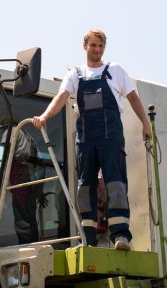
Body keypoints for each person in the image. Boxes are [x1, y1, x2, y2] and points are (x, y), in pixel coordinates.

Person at [32, 29, 151, 250]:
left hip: (111, 138)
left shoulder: (115, 71)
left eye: (100, 46)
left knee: (115, 183)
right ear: (84, 46)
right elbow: (61, 98)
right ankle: (87, 239)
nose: (97, 50)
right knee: (85, 187)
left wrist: (146, 123)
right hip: (86, 140)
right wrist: (45, 116)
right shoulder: (75, 75)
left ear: (103, 48)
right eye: (93, 45)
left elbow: (134, 98)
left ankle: (121, 236)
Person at [1, 117, 43, 244]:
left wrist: (4, 176)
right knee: (29, 214)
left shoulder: (12, 131)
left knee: (21, 213)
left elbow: (7, 153)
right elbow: (40, 162)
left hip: (20, 174)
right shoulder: (29, 137)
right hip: (32, 175)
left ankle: (26, 246)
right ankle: (34, 243)